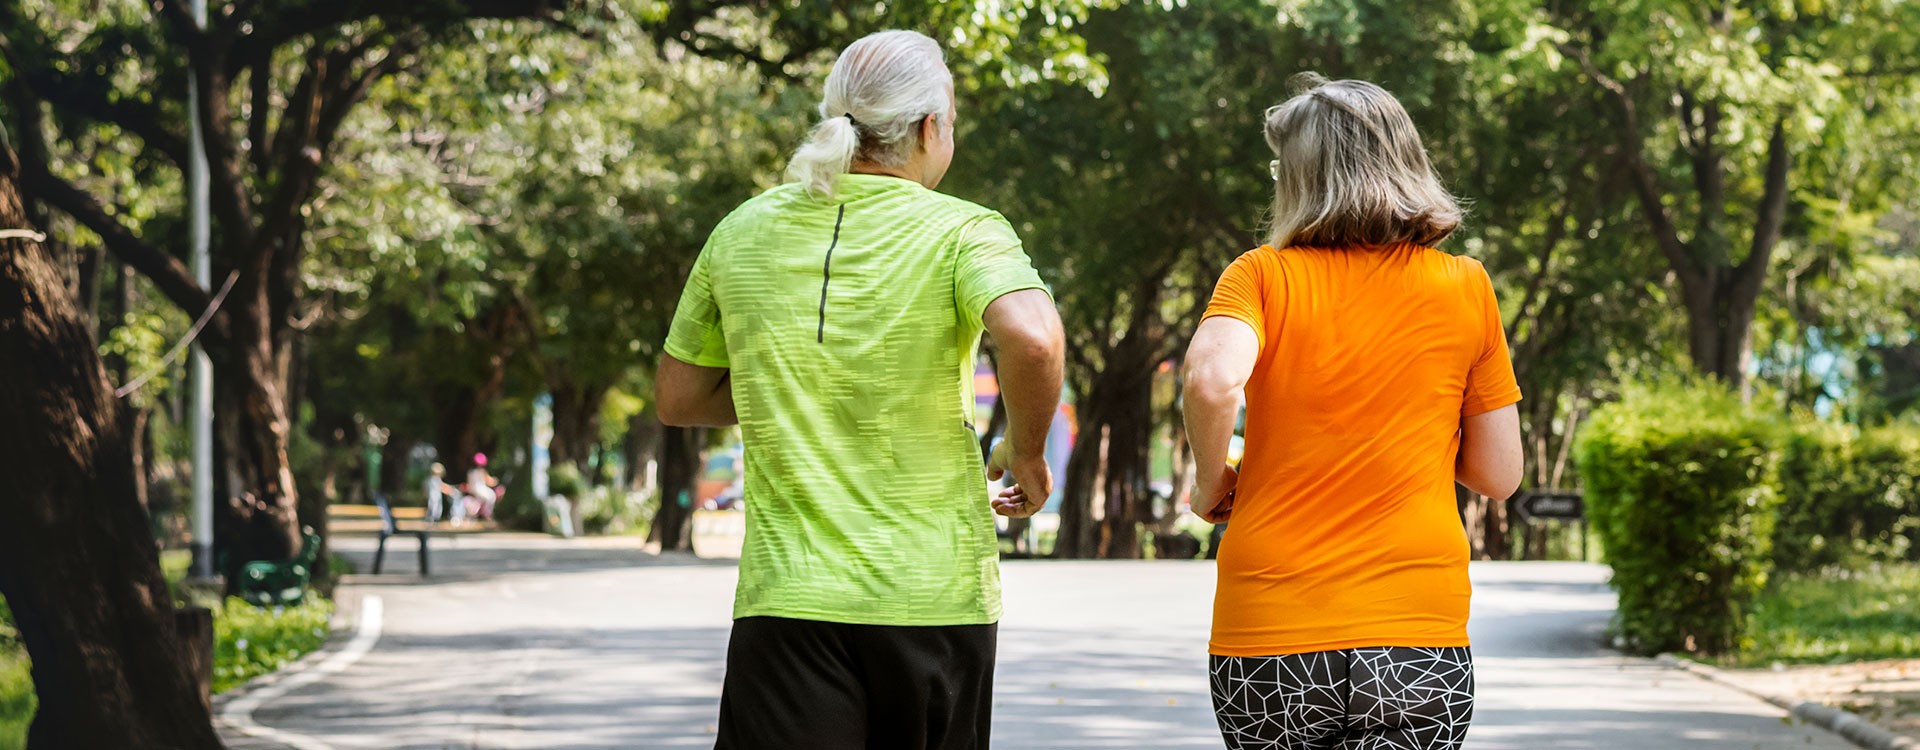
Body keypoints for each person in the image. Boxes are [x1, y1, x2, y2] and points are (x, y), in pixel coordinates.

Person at [655, 29, 1065, 750]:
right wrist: (1026, 452)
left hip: (788, 607)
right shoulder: (965, 231)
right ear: (932, 128)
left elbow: (679, 398)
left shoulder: (741, 231)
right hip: (935, 602)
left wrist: (793, 381)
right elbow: (1033, 335)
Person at [1181, 74, 1524, 750]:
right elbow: (1498, 474)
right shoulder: (1466, 287)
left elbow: (1212, 381)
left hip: (1273, 632)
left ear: (1300, 177)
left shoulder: (1260, 276)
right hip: (1417, 636)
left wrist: (1212, 479)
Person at [464, 453, 498, 522]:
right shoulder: (482, 471)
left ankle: (473, 515)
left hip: (473, 490)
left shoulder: (470, 472)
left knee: (477, 502)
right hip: (481, 489)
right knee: (492, 496)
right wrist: (495, 481)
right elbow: (489, 481)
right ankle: (487, 513)